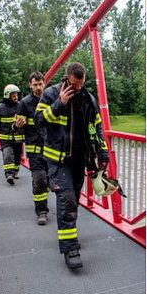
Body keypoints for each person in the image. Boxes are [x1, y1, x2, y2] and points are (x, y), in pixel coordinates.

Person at [35, 62, 109, 269]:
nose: (78, 88)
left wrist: (102, 151)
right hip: (58, 160)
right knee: (67, 201)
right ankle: (70, 249)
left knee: (73, 201)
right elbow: (38, 120)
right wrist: (59, 104)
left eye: (81, 84)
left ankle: (69, 232)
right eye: (75, 84)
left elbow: (97, 127)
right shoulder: (50, 94)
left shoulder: (88, 98)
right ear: (67, 78)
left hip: (80, 160)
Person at [15, 71, 49, 225]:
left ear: (45, 83)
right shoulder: (24, 103)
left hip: (52, 149)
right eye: (35, 85)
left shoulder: (52, 99)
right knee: (39, 179)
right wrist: (17, 125)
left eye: (40, 84)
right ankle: (41, 211)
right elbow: (16, 128)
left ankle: (44, 195)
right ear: (30, 85)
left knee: (51, 180)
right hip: (35, 149)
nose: (38, 87)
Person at [0, 84, 24, 185]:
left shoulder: (20, 106)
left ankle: (15, 171)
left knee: (17, 156)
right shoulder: (0, 107)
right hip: (5, 139)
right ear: (7, 95)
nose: (16, 97)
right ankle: (9, 174)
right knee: (8, 155)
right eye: (13, 95)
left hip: (18, 138)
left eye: (16, 95)